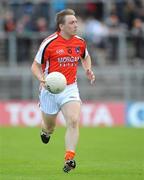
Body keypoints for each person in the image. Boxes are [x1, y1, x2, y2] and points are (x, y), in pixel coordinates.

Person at [31, 9, 95, 173]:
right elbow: (35, 66)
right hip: (50, 90)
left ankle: (69, 158)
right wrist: (41, 79)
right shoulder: (49, 43)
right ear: (61, 26)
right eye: (72, 22)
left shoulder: (80, 42)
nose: (76, 25)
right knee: (50, 127)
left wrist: (87, 69)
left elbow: (85, 56)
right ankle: (45, 131)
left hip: (70, 88)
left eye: (76, 22)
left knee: (73, 120)